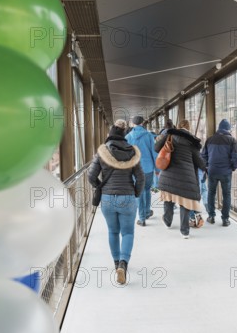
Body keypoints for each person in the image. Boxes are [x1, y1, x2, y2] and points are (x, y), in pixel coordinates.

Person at [88, 123, 145, 284]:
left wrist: (100, 186)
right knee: (127, 232)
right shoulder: (132, 152)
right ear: (125, 134)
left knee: (113, 231)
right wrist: (136, 193)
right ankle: (123, 264)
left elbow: (91, 176)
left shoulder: (102, 152)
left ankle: (116, 263)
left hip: (107, 198)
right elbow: (141, 178)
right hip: (127, 197)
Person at [154, 119, 207, 239]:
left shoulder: (169, 135)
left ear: (178, 127)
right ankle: (185, 231)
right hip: (186, 176)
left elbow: (156, 148)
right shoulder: (192, 141)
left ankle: (168, 221)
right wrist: (206, 168)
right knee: (185, 203)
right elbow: (198, 161)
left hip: (169, 174)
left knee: (168, 198)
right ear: (189, 128)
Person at [201, 119, 237, 227]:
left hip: (212, 171)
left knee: (211, 193)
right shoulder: (232, 140)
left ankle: (211, 216)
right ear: (228, 129)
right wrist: (233, 167)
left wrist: (206, 167)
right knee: (226, 195)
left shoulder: (209, 140)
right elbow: (236, 156)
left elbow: (203, 156)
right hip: (226, 172)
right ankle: (225, 219)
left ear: (219, 128)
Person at [125, 116, 157, 226]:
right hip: (148, 168)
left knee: (138, 192)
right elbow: (154, 152)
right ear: (142, 123)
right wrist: (157, 169)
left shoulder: (128, 137)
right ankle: (147, 212)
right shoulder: (149, 136)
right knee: (147, 190)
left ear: (133, 124)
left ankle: (142, 218)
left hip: (135, 168)